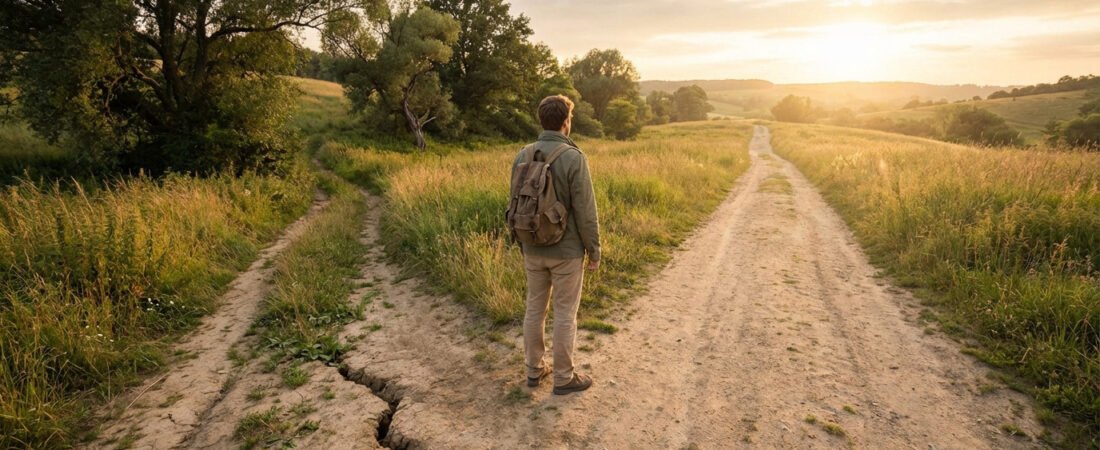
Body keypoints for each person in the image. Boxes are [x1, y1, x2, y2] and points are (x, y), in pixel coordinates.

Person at [513, 95, 601, 395]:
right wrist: (595, 249)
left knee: (534, 309)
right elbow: (586, 211)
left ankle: (533, 371)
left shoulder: (522, 154)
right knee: (565, 314)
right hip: (567, 252)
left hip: (532, 246)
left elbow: (516, 202)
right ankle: (564, 378)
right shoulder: (574, 157)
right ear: (567, 121)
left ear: (541, 120)